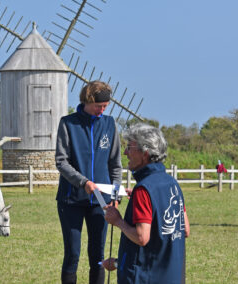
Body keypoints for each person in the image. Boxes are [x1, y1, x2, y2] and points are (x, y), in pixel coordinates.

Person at [102, 123, 190, 284]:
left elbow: (142, 237)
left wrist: (118, 221)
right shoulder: (173, 184)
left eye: (130, 147)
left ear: (145, 153)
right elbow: (185, 229)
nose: (125, 152)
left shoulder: (144, 189)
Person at [55, 80, 122, 284]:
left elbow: (115, 164)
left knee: (97, 256)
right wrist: (83, 182)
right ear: (87, 100)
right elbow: (61, 161)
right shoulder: (68, 123)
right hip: (71, 200)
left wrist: (116, 194)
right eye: (98, 106)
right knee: (73, 254)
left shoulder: (109, 124)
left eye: (105, 107)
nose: (102, 110)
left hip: (101, 202)